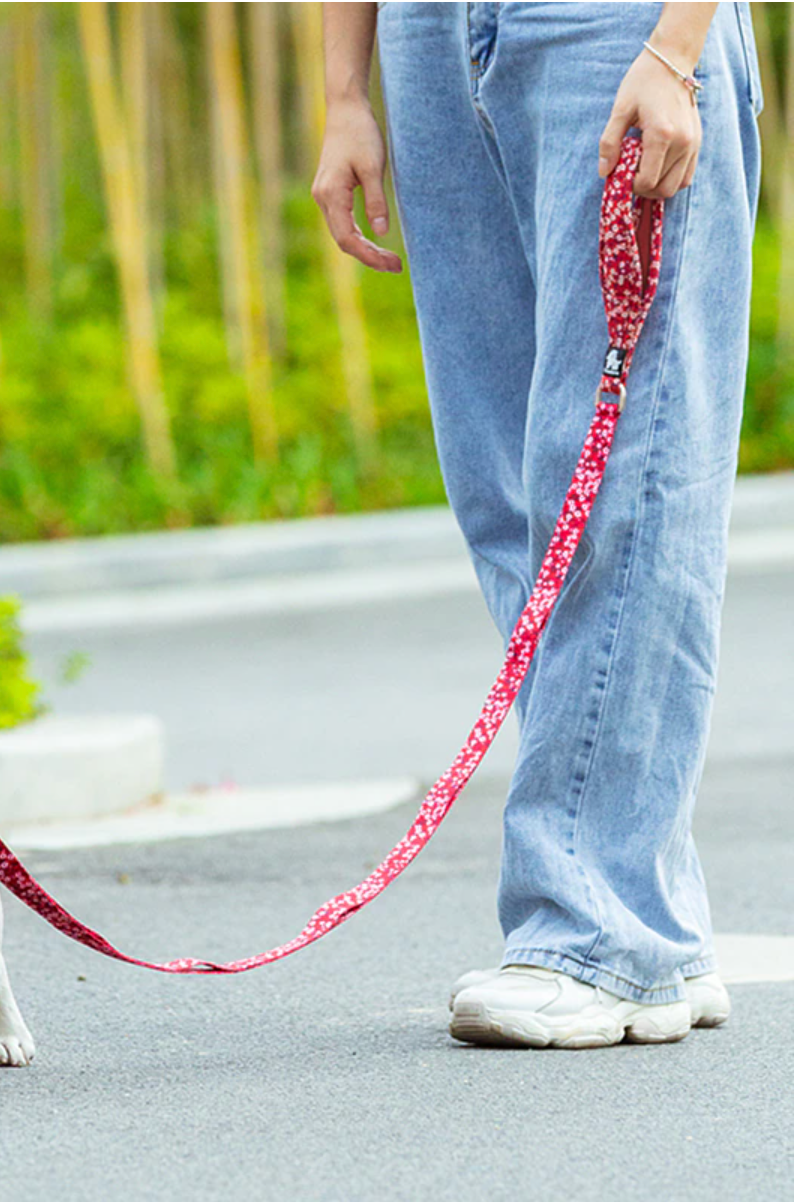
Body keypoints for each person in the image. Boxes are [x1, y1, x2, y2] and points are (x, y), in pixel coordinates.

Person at [314, 2, 762, 1047]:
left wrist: (678, 43)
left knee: (619, 469)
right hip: (427, 35)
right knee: (508, 491)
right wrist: (345, 89)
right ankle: (651, 914)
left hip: (617, 26)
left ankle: (594, 932)